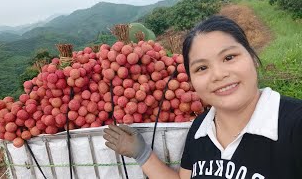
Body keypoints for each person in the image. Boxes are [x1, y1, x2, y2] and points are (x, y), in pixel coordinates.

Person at [103, 15, 302, 179]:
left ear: (252, 57)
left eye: (229, 57)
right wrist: (143, 154)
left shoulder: (295, 124)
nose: (218, 75)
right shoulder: (200, 129)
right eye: (202, 68)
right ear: (191, 81)